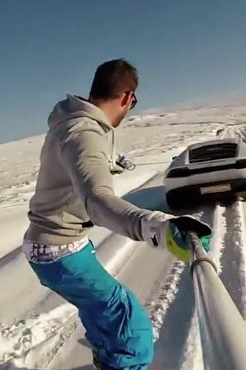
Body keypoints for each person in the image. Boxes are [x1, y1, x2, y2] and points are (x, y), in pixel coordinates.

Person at [21, 59, 213, 370]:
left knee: (101, 310)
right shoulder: (83, 133)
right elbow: (97, 201)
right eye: (133, 103)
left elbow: (76, 171)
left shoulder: (76, 125)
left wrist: (109, 162)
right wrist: (161, 228)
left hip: (62, 242)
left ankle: (106, 358)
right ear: (127, 97)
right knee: (130, 330)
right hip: (57, 249)